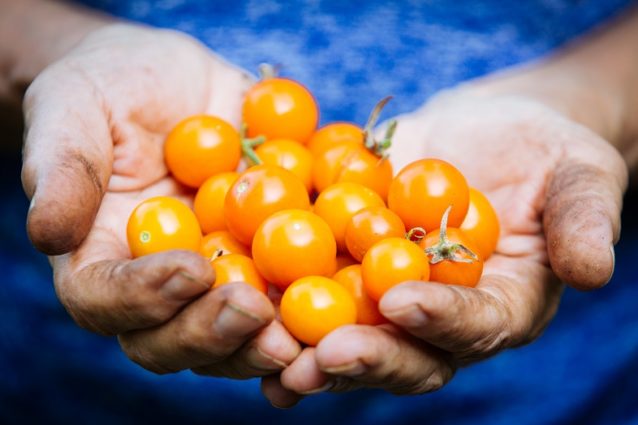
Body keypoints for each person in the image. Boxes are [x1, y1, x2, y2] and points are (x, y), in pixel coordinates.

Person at [1, 0, 637, 422]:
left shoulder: (377, 217)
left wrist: (595, 98)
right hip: (76, 389)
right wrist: (59, 52)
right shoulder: (276, 204)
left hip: (556, 397)